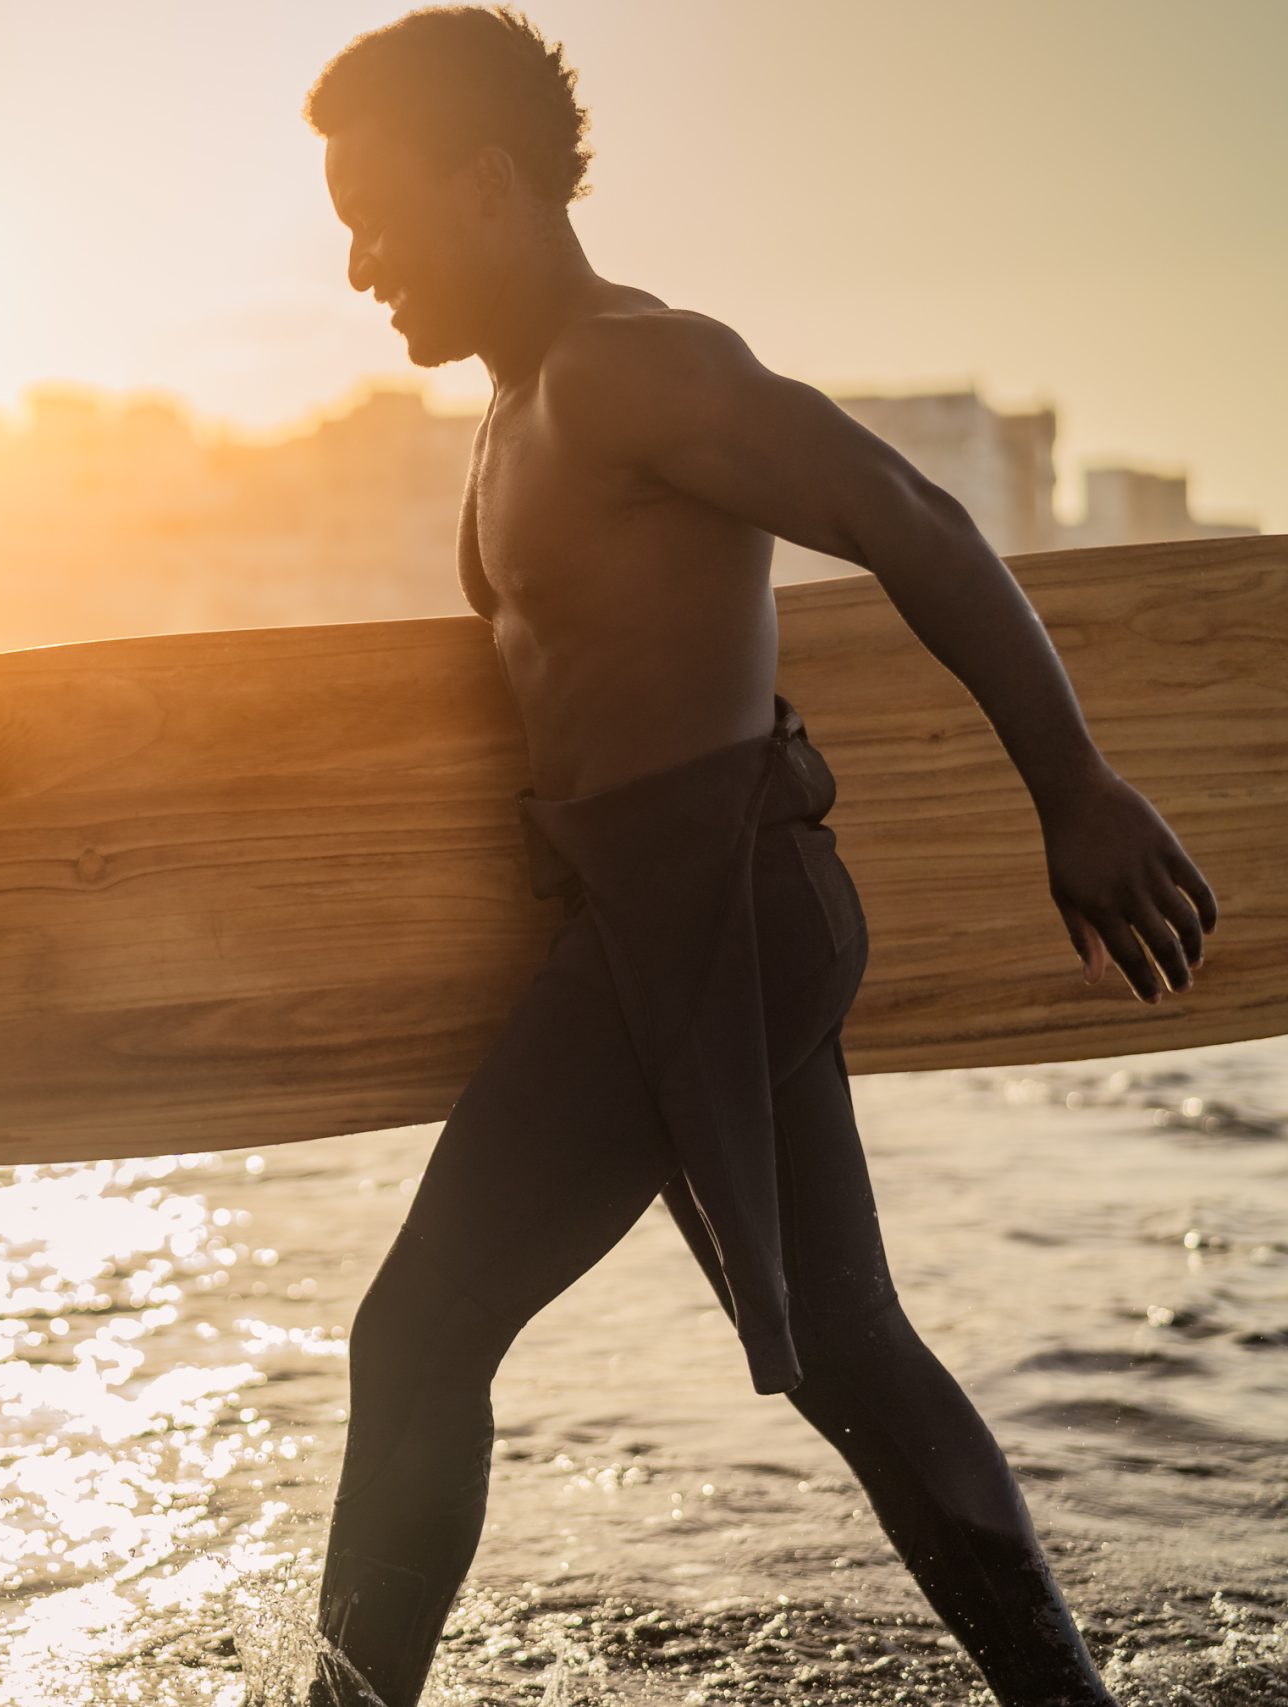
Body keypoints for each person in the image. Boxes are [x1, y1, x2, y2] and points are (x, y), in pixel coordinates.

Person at [299, 9, 1220, 1705]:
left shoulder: (634, 369)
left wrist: (1072, 788)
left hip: (712, 914)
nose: (357, 264)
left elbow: (909, 517)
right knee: (854, 1357)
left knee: (417, 1336)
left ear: (486, 182)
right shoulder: (511, 414)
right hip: (669, 926)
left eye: (376, 213)